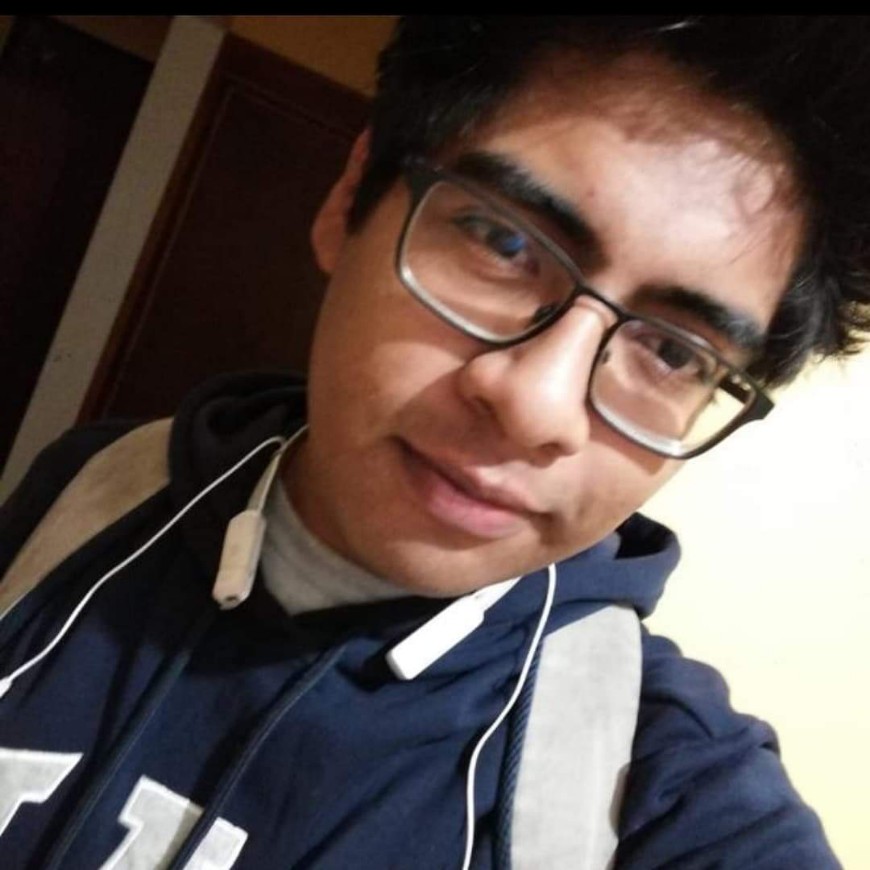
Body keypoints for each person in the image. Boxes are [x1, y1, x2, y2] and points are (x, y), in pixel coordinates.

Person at [0, 15, 866, 869]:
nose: (536, 405)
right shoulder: (95, 491)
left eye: (675, 353)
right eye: (503, 241)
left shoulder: (657, 792)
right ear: (351, 199)